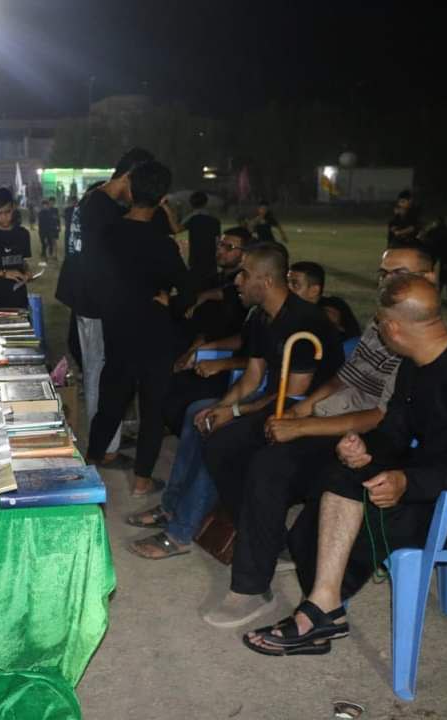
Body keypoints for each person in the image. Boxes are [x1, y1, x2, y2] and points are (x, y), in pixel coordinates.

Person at [246, 274, 447, 656]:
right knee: (336, 479)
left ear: (394, 328)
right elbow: (395, 432)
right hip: (437, 480)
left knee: (359, 517)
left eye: (379, 323)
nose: (377, 330)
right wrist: (363, 450)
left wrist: (408, 483)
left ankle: (318, 614)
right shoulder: (415, 364)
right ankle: (325, 608)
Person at [199, 247, 432, 628]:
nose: (386, 282)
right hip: (330, 414)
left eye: (399, 273)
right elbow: (345, 377)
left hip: (362, 438)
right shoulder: (380, 323)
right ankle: (271, 540)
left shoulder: (415, 336)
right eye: (383, 273)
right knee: (224, 443)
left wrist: (302, 426)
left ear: (428, 279)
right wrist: (303, 408)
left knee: (269, 464)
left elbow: (380, 418)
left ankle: (251, 585)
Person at [128, 243, 343, 559]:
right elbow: (253, 377)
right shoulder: (260, 316)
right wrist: (220, 407)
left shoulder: (305, 322)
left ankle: (180, 533)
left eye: (244, 274)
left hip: (306, 413)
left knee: (223, 435)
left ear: (266, 281)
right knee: (198, 413)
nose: (237, 281)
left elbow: (295, 395)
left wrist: (235, 412)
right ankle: (171, 507)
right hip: (276, 402)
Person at [86, 160, 190, 496]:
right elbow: (188, 290)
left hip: (119, 328)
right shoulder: (163, 244)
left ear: (130, 191)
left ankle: (91, 461)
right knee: (152, 408)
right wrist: (170, 303)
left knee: (112, 399)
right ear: (161, 198)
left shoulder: (109, 234)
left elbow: (96, 281)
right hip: (155, 332)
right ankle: (142, 481)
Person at [55, 148, 154, 464]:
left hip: (85, 297)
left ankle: (109, 436)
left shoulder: (92, 200)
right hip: (96, 302)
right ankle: (107, 448)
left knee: (98, 370)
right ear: (129, 176)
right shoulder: (105, 210)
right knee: (100, 373)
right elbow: (107, 264)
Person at [163, 227, 251, 434]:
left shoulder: (244, 290)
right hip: (197, 346)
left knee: (181, 394)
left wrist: (197, 348)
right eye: (220, 244)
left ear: (244, 254)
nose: (220, 250)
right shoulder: (213, 278)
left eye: (229, 247)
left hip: (221, 357)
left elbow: (225, 302)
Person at [180, 190, 222, 283]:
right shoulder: (214, 220)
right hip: (210, 261)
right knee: (211, 285)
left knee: (195, 286)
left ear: (191, 204)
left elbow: (177, 228)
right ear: (206, 202)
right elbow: (218, 241)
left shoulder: (192, 219)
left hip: (195, 260)